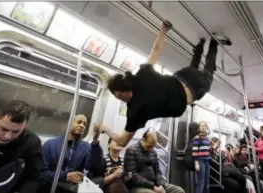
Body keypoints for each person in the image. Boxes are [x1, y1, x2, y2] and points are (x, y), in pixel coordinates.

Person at [98, 21, 232, 147]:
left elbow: (122, 141)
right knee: (193, 69)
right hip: (182, 75)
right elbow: (155, 50)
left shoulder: (134, 113)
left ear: (117, 93)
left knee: (208, 73)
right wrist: (163, 30)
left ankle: (213, 43)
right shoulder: (141, 75)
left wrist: (106, 129)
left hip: (193, 89)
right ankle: (199, 47)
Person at [0, 100, 42, 193]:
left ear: (24, 126)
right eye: (4, 129)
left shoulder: (31, 142)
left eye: (16, 132)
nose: (7, 136)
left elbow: (33, 179)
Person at [39, 114, 101, 193]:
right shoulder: (50, 145)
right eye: (79, 122)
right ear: (69, 124)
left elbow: (94, 168)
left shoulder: (86, 147)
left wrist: (95, 142)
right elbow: (42, 174)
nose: (82, 126)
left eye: (84, 124)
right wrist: (64, 176)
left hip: (74, 187)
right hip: (52, 185)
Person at [192, 121, 210, 193]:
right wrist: (196, 163)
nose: (202, 127)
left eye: (204, 126)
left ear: (206, 127)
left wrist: (215, 146)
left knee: (206, 183)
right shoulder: (197, 138)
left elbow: (208, 150)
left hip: (207, 161)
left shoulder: (207, 138)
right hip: (200, 161)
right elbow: (195, 151)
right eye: (201, 126)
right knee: (201, 183)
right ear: (199, 128)